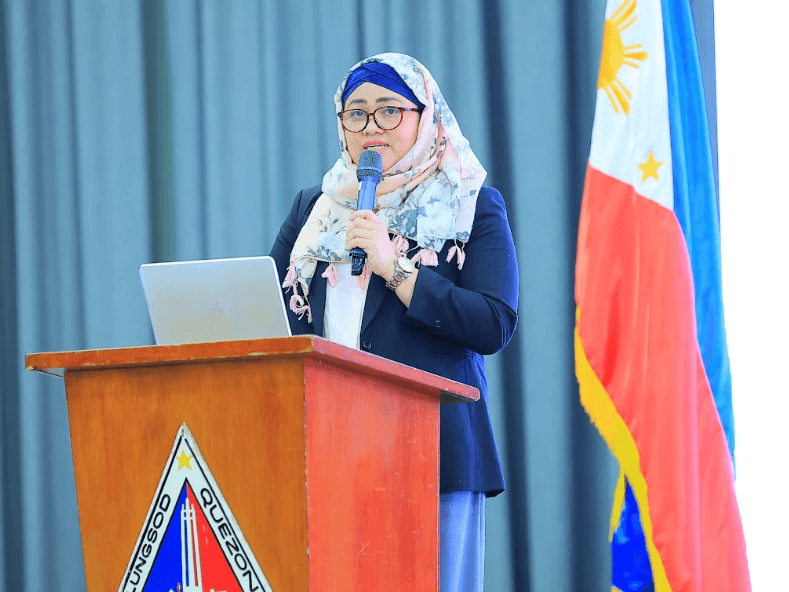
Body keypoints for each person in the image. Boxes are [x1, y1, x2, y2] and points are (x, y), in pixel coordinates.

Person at [269, 52, 518, 591]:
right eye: (355, 113)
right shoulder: (314, 208)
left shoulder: (470, 203)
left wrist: (395, 269)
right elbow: (274, 315)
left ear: (423, 116)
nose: (370, 127)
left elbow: (493, 322)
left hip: (431, 454)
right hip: (328, 452)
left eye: (388, 111)